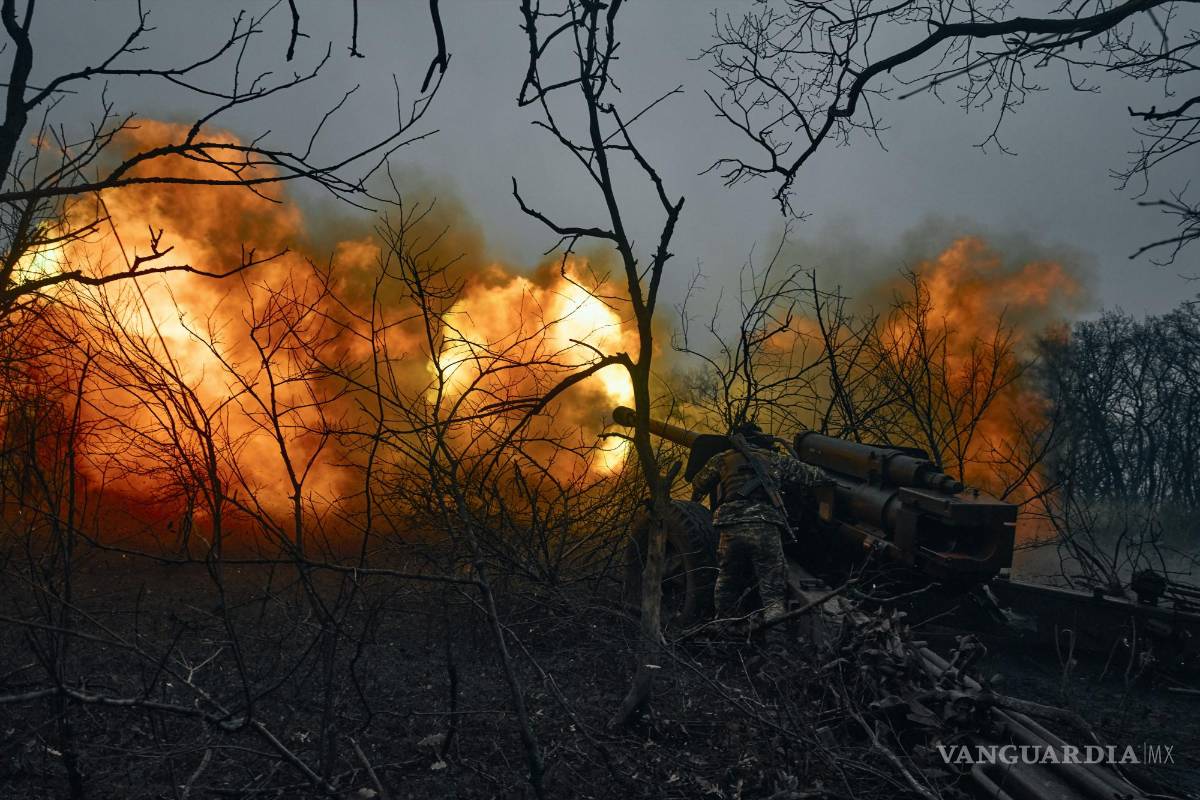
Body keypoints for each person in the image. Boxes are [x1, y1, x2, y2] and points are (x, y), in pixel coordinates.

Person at [690, 421, 828, 627]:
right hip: (766, 527)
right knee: (772, 595)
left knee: (726, 585)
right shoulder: (775, 459)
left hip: (731, 528)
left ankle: (725, 635)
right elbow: (815, 476)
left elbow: (699, 483)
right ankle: (776, 645)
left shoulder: (722, 459)